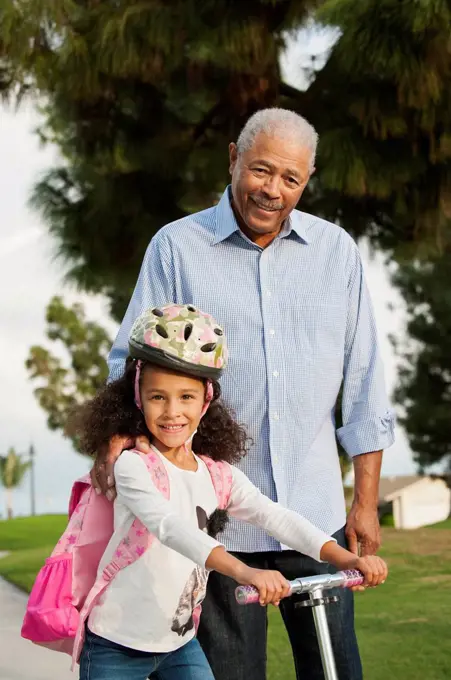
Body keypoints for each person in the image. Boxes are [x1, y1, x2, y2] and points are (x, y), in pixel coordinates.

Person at [95, 108, 395, 680]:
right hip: (214, 519)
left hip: (315, 515)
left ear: (306, 181)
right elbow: (130, 364)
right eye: (261, 170)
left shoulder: (337, 254)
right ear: (233, 157)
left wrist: (364, 500)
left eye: (291, 179)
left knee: (337, 671)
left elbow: (364, 380)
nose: (273, 190)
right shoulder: (175, 248)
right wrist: (129, 460)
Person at [74, 303, 387, 680]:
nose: (172, 411)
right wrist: (244, 571)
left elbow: (275, 516)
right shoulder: (134, 466)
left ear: (206, 400)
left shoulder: (217, 475)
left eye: (186, 397)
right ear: (138, 397)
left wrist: (344, 559)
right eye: (158, 397)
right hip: (116, 644)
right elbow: (170, 527)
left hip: (179, 644)